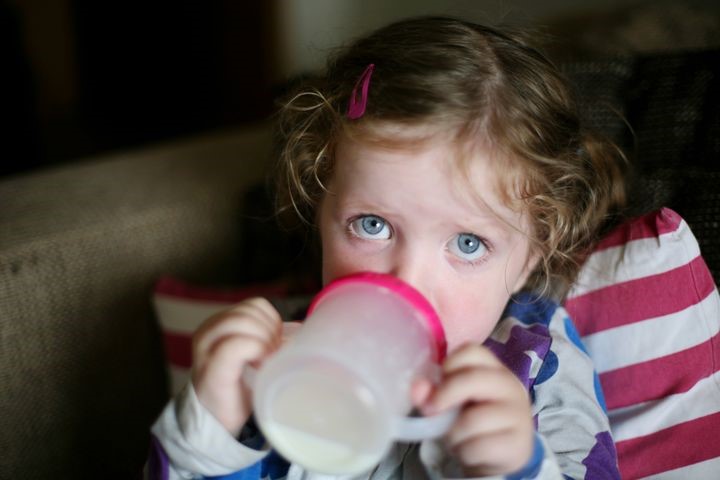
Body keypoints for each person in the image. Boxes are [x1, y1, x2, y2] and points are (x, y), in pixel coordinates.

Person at [149, 16, 626, 479]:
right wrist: (208, 434)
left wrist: (515, 467)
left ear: (528, 263)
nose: (406, 281)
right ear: (320, 213)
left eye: (467, 243)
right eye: (372, 225)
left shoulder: (536, 362)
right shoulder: (279, 355)